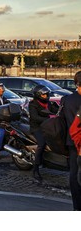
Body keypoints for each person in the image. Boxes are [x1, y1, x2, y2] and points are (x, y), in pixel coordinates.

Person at [60, 70, 81, 210]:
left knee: (74, 175)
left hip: (71, 142)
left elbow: (62, 122)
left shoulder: (66, 100)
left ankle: (77, 207)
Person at [28, 85, 59, 182]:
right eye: (44, 94)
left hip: (48, 126)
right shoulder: (32, 104)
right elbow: (35, 117)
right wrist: (49, 119)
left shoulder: (48, 103)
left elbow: (56, 111)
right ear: (38, 95)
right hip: (37, 128)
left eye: (47, 94)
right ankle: (36, 168)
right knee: (41, 144)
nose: (46, 96)